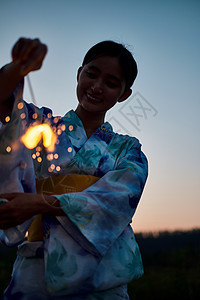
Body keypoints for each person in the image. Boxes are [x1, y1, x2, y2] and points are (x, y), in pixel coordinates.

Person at [0, 38, 148, 300]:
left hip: (103, 276)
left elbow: (118, 199)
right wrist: (19, 66)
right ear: (79, 73)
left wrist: (39, 203)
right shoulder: (40, 124)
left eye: (111, 83)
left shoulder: (128, 149)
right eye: (92, 74)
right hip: (37, 265)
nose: (97, 87)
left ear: (124, 95)